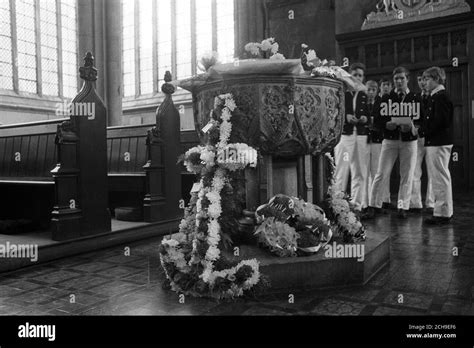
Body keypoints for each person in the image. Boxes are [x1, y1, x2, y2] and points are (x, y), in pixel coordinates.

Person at [363, 66, 420, 219]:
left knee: (407, 175)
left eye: (402, 78)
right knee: (381, 173)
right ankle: (373, 206)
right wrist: (386, 125)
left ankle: (402, 207)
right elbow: (377, 121)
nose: (399, 81)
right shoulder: (386, 98)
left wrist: (412, 127)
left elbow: (421, 121)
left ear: (407, 79)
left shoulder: (415, 97)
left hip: (409, 141)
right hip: (390, 140)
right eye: (396, 79)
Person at [333, 62, 369, 211]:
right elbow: (334, 111)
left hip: (360, 135)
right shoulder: (342, 91)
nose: (358, 78)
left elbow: (368, 113)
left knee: (360, 170)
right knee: (342, 169)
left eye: (360, 75)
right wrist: (345, 116)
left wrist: (365, 118)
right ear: (350, 75)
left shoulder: (363, 94)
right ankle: (338, 204)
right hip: (345, 135)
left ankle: (357, 204)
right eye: (355, 75)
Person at [420, 66, 454, 225]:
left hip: (438, 142)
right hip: (436, 141)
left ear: (437, 79)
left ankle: (443, 214)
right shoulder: (435, 96)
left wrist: (423, 131)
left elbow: (441, 121)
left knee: (440, 178)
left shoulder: (440, 97)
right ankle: (442, 211)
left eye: (427, 79)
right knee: (439, 177)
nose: (424, 82)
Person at [410, 72, 434, 213]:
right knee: (415, 170)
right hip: (417, 137)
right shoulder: (415, 98)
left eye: (425, 79)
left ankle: (431, 202)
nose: (422, 82)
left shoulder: (435, 97)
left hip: (431, 137)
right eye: (420, 80)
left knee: (432, 170)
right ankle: (415, 202)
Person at [366, 80, 391, 210]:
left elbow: (382, 121)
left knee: (377, 172)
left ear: (377, 91)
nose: (371, 92)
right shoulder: (361, 102)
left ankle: (382, 200)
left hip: (377, 140)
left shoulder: (381, 103)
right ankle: (367, 201)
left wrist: (372, 121)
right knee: (365, 173)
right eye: (369, 89)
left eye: (373, 90)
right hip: (364, 141)